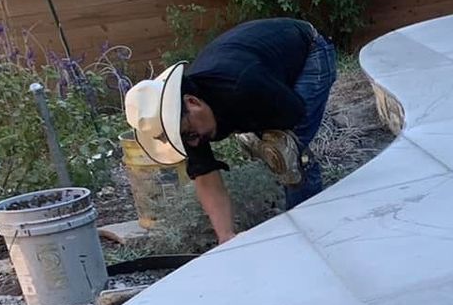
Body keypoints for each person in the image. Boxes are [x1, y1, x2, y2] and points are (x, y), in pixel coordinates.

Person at [123, 18, 336, 244]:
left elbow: (295, 114)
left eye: (189, 135)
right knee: (278, 149)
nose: (193, 143)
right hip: (261, 74)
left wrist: (268, 139)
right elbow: (205, 177)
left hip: (308, 50)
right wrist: (226, 237)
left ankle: (314, 232)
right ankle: (299, 225)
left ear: (193, 102)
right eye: (185, 139)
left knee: (289, 152)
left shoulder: (243, 85)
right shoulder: (182, 121)